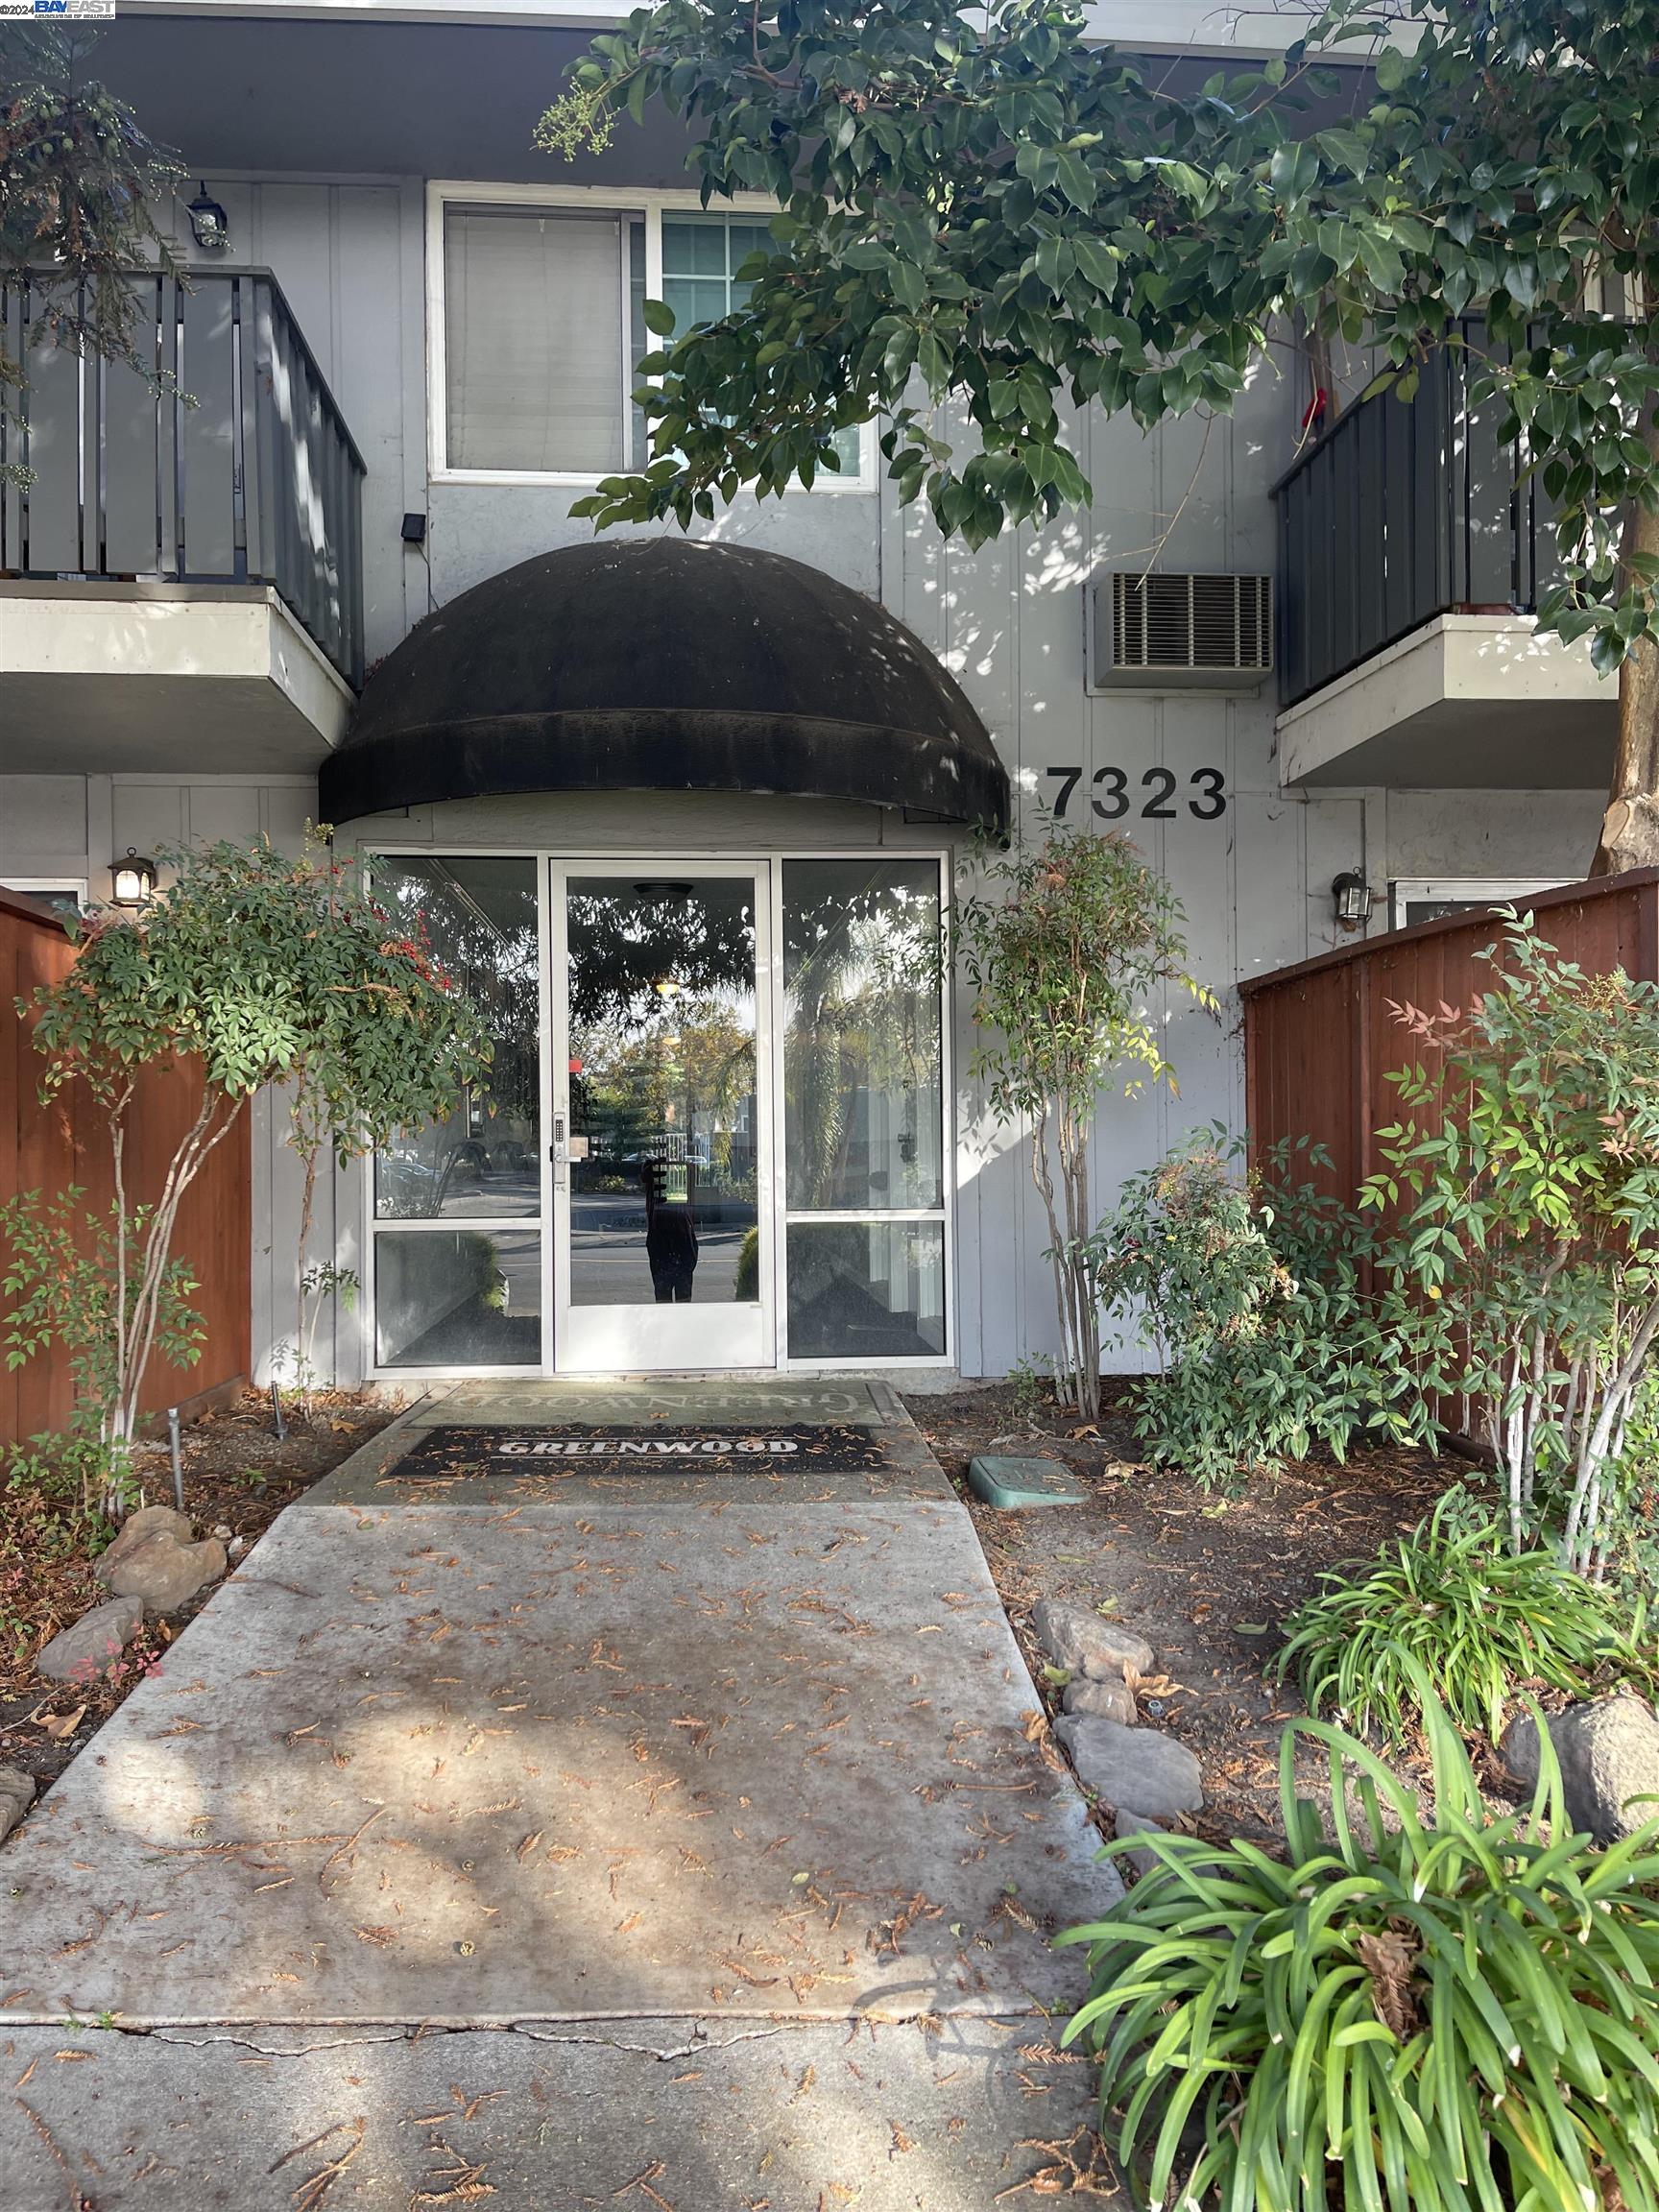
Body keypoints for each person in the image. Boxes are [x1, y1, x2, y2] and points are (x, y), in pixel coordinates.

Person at [641, 1109, 698, 1303]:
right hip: (666, 1235)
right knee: (664, 1292)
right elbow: (646, 1175)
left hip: (679, 1234)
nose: (669, 1152)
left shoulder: (685, 1168)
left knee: (680, 1292)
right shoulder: (652, 1169)